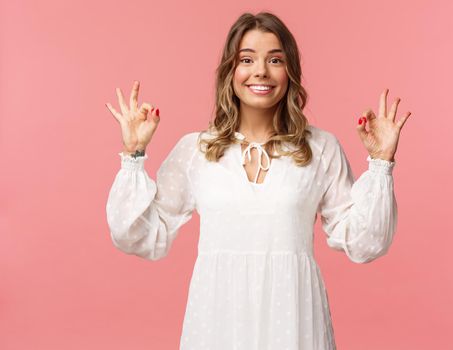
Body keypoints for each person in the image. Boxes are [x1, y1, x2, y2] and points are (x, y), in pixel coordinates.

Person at [105, 11, 411, 350]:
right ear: (229, 71)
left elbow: (365, 240)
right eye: (246, 59)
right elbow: (136, 234)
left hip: (294, 320)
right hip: (217, 321)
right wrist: (133, 154)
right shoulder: (197, 150)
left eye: (275, 59)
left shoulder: (320, 148)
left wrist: (381, 161)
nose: (260, 71)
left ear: (290, 70)